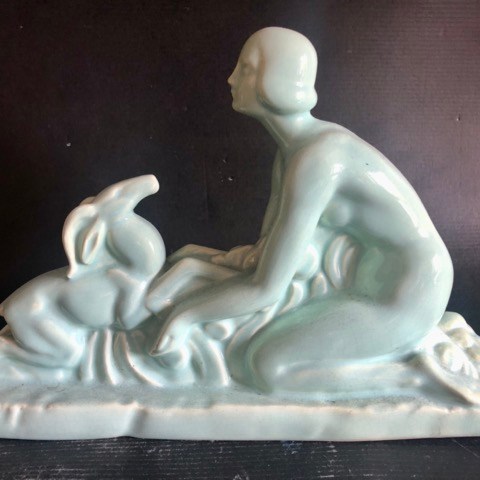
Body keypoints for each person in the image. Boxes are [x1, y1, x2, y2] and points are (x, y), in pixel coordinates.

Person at [146, 27, 454, 392]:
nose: (230, 78)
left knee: (268, 368)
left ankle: (417, 378)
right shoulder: (294, 152)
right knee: (256, 355)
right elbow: (262, 258)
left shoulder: (318, 160)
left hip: (409, 294)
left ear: (272, 80)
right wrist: (195, 265)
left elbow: (266, 287)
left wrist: (186, 315)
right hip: (364, 284)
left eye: (245, 68)